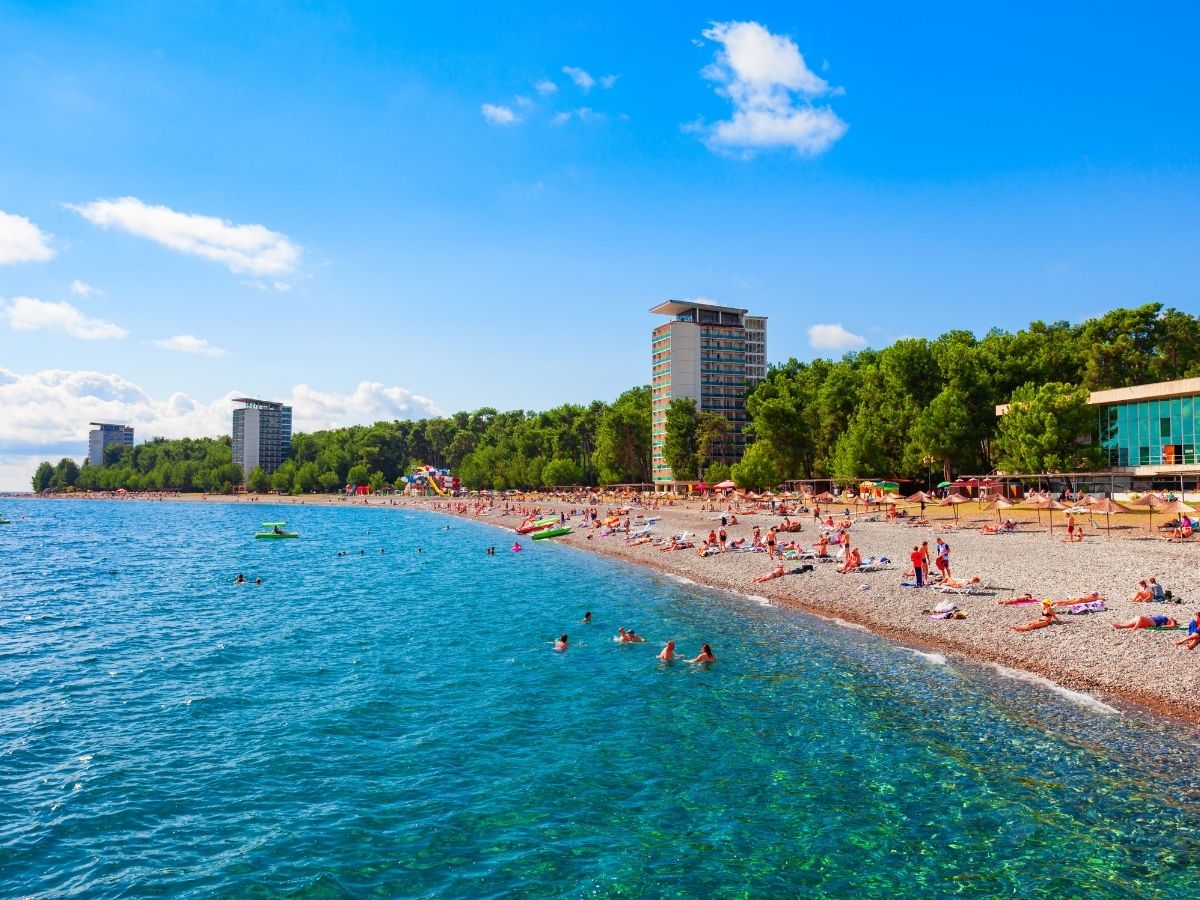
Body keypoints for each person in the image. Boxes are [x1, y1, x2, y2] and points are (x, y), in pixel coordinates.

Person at [1113, 614, 1178, 630]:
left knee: (1141, 617)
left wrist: (1172, 620)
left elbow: (1172, 626)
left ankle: (1135, 628)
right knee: (1136, 623)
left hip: (1154, 622)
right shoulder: (1166, 619)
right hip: (1152, 620)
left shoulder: (1168, 621)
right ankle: (1122, 626)